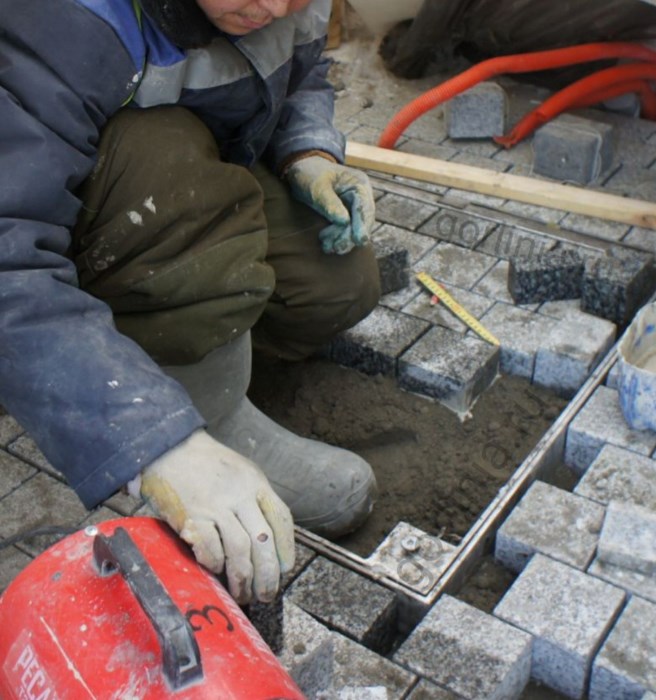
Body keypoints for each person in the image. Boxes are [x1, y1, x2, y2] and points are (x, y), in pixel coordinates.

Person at [0, 0, 380, 604]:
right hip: (66, 211)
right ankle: (206, 414)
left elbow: (300, 72)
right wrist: (153, 439)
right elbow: (8, 258)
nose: (274, 6)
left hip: (184, 178)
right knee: (167, 163)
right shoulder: (66, 23)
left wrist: (309, 153)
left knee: (335, 283)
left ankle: (187, 340)